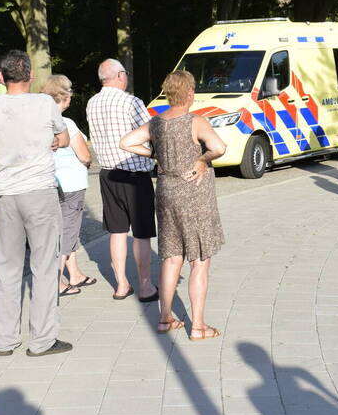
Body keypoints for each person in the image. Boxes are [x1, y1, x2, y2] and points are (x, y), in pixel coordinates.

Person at [120, 71, 226, 341]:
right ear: (189, 93)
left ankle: (165, 318)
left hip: (166, 191)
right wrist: (202, 160)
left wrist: (154, 154)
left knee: (171, 256)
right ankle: (198, 326)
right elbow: (219, 147)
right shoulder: (195, 121)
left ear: (169, 93)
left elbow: (127, 142)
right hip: (194, 195)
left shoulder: (156, 124)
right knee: (199, 259)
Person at [0, 50, 72, 357]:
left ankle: (5, 340)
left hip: (5, 194)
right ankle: (42, 340)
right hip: (38, 191)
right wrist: (54, 140)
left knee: (7, 269)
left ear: (1, 77)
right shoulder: (44, 103)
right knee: (44, 267)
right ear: (31, 76)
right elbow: (63, 138)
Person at [86, 58, 158, 302]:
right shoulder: (131, 102)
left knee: (116, 232)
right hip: (134, 174)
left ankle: (121, 284)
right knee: (141, 233)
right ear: (119, 76)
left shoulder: (91, 103)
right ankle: (146, 285)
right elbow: (150, 134)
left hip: (107, 174)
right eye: (125, 73)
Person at [41, 74, 98, 297]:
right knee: (68, 231)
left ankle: (74, 273)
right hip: (71, 184)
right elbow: (84, 155)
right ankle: (55, 281)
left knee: (63, 229)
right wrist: (88, 161)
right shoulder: (67, 124)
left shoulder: (40, 121)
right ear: (62, 98)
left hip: (51, 182)